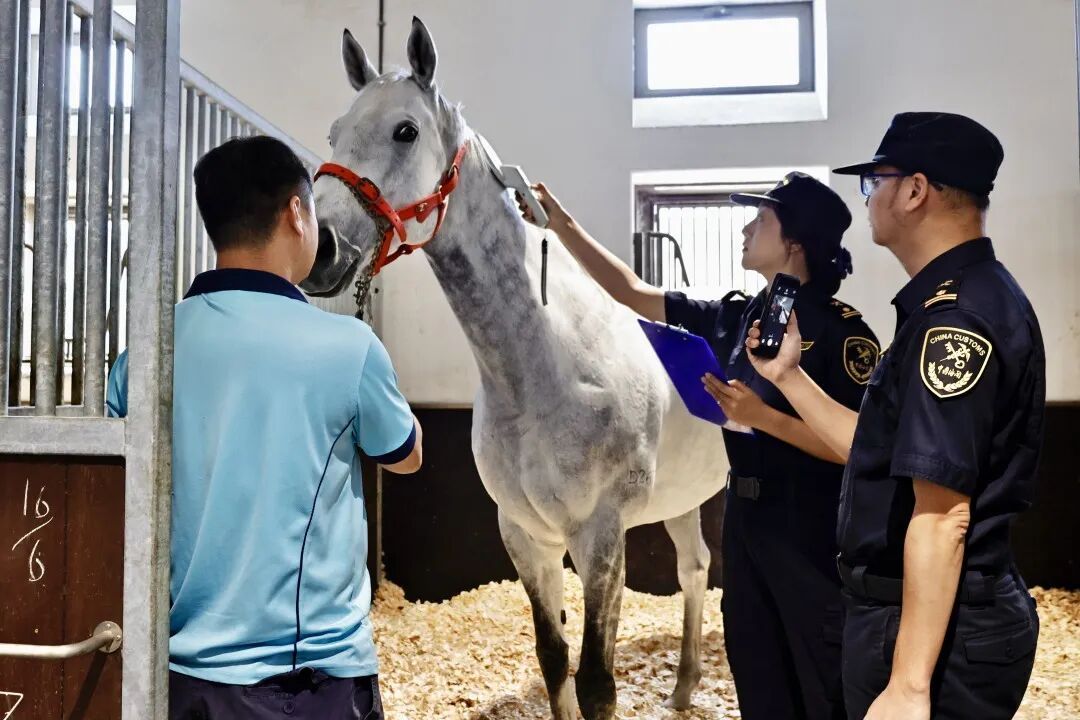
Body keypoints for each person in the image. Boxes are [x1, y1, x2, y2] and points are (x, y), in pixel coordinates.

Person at [520, 173, 879, 719]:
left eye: (761, 220)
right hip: (746, 519)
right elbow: (631, 291)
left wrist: (761, 417)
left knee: (820, 676)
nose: (746, 228)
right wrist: (559, 221)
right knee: (757, 670)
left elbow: (858, 449)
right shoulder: (739, 317)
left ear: (795, 242)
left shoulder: (842, 335)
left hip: (811, 526)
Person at [107, 136, 422, 720]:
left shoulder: (146, 354)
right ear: (297, 213)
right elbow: (405, 455)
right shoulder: (349, 347)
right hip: (312, 679)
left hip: (179, 677)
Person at [745, 112, 1043, 720]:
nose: (871, 198)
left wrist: (909, 684)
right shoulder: (951, 299)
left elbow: (943, 516)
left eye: (873, 181)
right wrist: (788, 378)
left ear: (913, 190)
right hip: (915, 614)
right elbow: (876, 445)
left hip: (936, 632)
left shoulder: (955, 320)